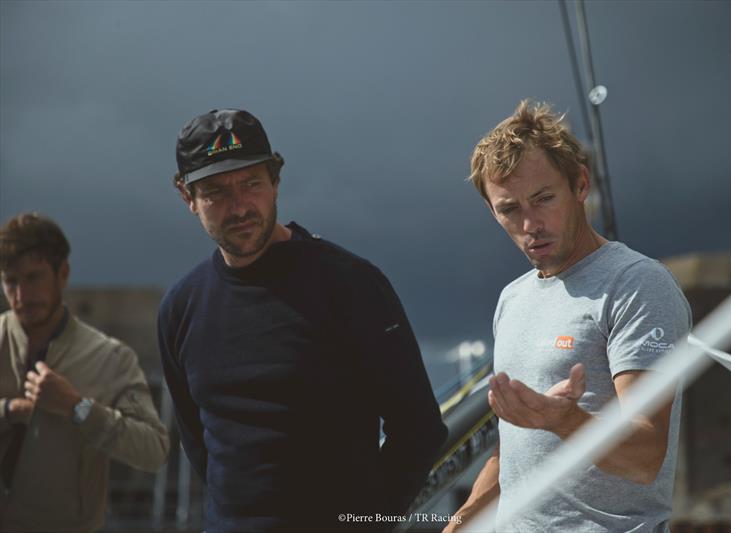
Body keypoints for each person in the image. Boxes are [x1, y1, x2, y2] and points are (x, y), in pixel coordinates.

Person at [159, 108, 447, 532]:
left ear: (275, 180)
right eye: (216, 193)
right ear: (187, 197)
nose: (239, 207)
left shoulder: (351, 283)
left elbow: (419, 431)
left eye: (251, 184)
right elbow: (198, 445)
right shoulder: (180, 309)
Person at [446, 100, 692, 532]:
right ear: (491, 210)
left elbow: (645, 455)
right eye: (509, 209)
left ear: (580, 184)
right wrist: (458, 523)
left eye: (543, 199)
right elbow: (515, 452)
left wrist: (562, 420)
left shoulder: (637, 284)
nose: (529, 224)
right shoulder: (512, 299)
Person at [0, 213, 169, 532]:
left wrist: (78, 408)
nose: (21, 295)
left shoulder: (111, 358)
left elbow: (153, 450)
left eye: (33, 277)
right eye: (11, 281)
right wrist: (8, 411)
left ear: (62, 274)